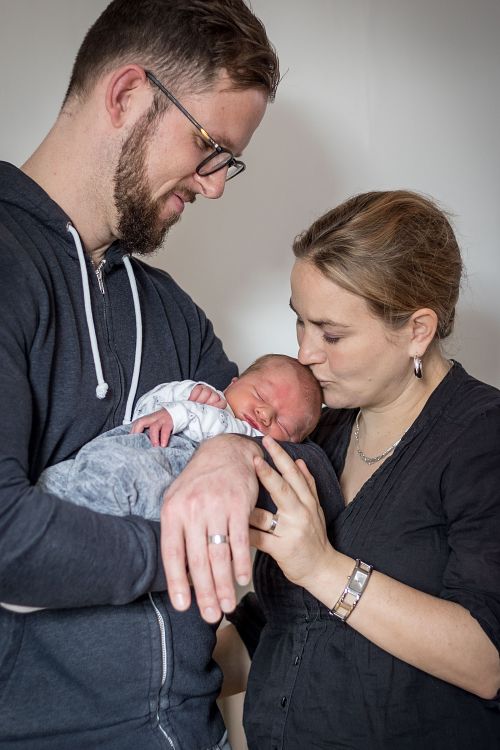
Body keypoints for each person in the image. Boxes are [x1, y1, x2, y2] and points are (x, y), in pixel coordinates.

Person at [0, 1, 287, 748]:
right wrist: (183, 546)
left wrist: (233, 451)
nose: (215, 186)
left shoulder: (170, 310)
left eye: (228, 162)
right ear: (128, 94)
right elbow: (7, 541)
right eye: (210, 148)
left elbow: (296, 461)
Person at [210, 190, 500, 749]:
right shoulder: (319, 430)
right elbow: (280, 624)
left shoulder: (482, 437)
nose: (305, 353)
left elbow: (487, 659)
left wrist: (322, 567)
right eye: (300, 323)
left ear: (417, 329)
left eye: (331, 334)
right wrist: (153, 674)